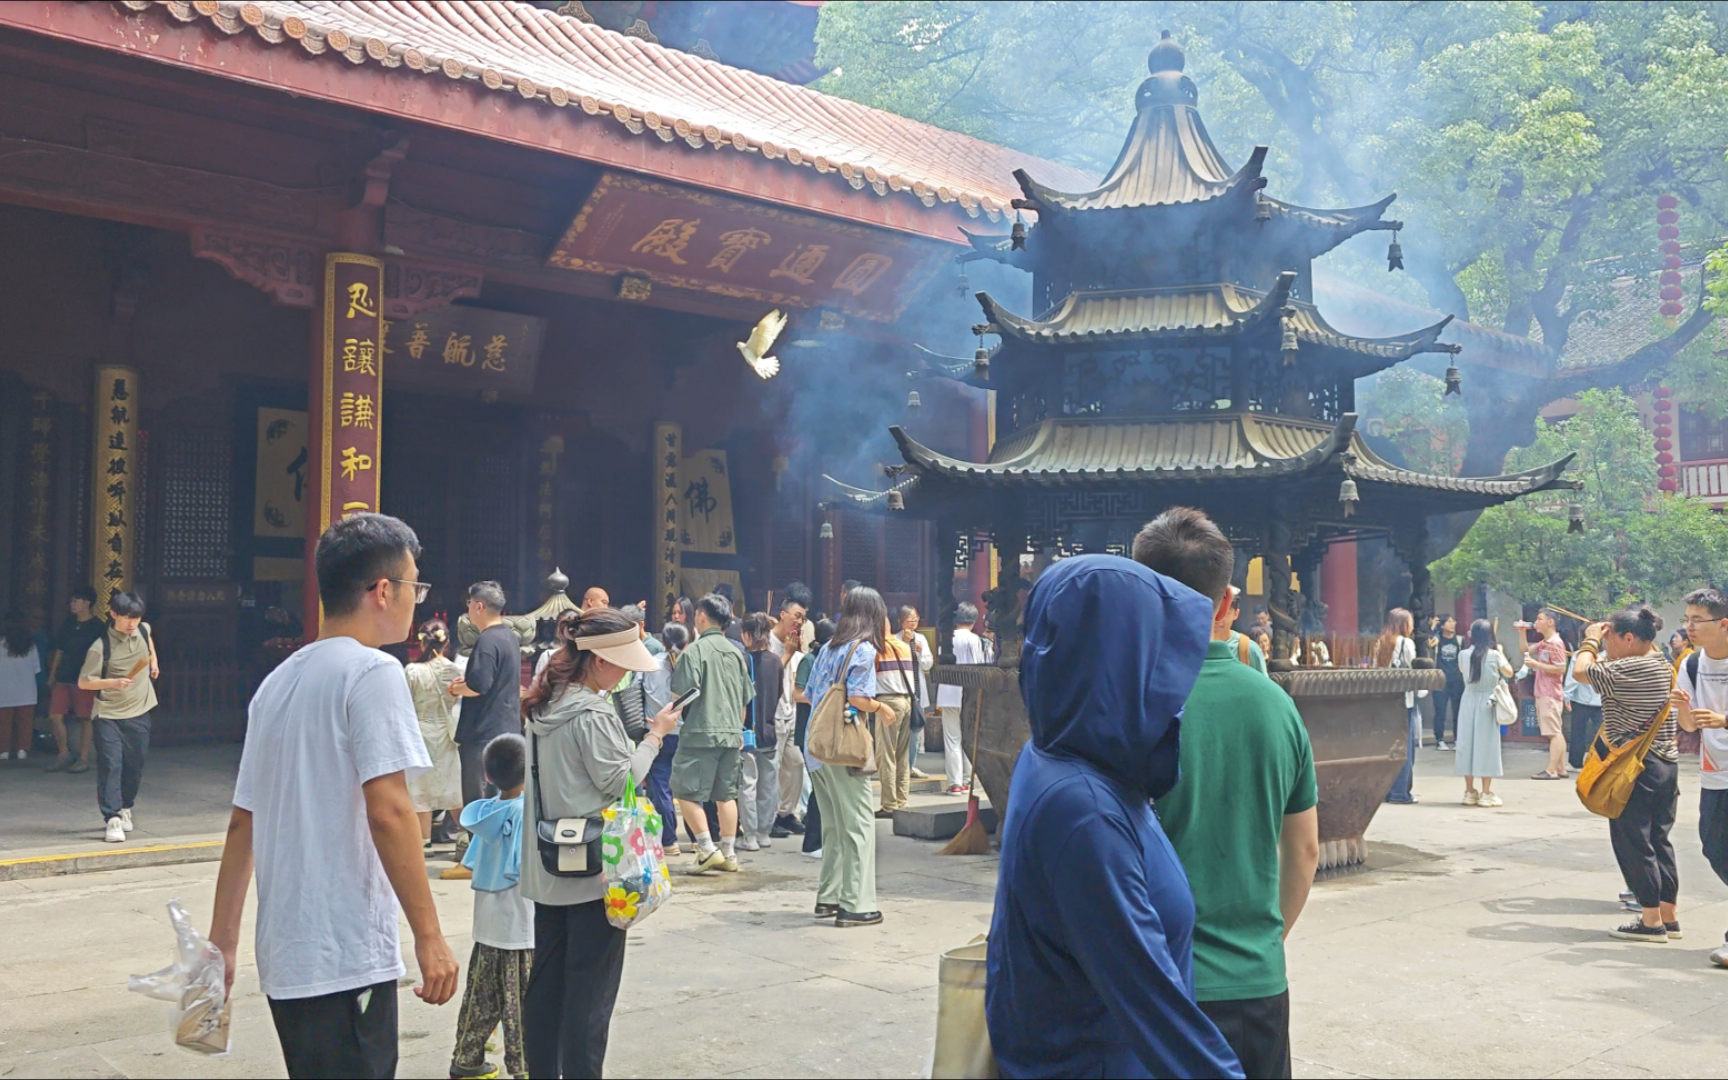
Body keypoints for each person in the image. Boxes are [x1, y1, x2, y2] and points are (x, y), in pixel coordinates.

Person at [209, 513, 459, 1078]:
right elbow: (391, 810)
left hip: (287, 957)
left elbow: (242, 823)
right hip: (344, 955)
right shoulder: (372, 672)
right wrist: (430, 936)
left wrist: (222, 944)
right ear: (383, 590)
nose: (417, 599)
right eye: (415, 585)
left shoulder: (277, 682)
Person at [986, 555, 1241, 1078]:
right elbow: (1156, 1011)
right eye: (1159, 655)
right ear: (1120, 661)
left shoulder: (1066, 754)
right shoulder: (1085, 812)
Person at [1133, 508, 1318, 1079]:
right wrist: (1263, 940)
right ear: (1227, 602)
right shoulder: (1276, 706)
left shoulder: (1129, 704)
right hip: (1255, 983)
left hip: (1151, 978)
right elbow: (1305, 851)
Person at [519, 607, 679, 1078]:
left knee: (546, 987)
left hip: (549, 868)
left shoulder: (545, 703)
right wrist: (655, 736)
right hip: (594, 873)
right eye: (625, 663)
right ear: (602, 661)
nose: (630, 672)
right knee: (590, 997)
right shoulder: (593, 712)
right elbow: (620, 780)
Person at [1573, 606, 1680, 942]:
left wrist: (1590, 642)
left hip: (1636, 768)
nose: (1609, 646)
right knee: (1660, 841)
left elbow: (1580, 671)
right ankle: (1668, 916)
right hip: (1666, 765)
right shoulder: (1661, 663)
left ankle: (1650, 922)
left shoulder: (1631, 666)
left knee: (1635, 841)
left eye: (1613, 639)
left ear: (1630, 638)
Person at [804, 587, 890, 926]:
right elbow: (858, 698)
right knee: (858, 825)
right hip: (844, 750)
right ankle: (855, 904)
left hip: (817, 746)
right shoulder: (863, 650)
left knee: (833, 827)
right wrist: (881, 708)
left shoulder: (827, 648)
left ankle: (829, 897)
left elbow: (811, 694)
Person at [450, 733, 533, 1080]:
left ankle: (466, 1060)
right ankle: (529, 1068)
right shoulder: (527, 812)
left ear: (487, 776)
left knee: (480, 998)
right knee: (523, 1006)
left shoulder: (486, 811)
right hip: (521, 927)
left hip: (487, 925)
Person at [670, 593, 753, 873]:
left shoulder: (693, 651)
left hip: (700, 732)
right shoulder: (736, 652)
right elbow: (744, 700)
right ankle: (729, 853)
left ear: (702, 617)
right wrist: (737, 729)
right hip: (731, 733)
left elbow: (680, 696)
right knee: (726, 795)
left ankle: (706, 849)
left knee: (685, 791)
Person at [447, 581, 522, 878]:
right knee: (501, 795)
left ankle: (473, 860)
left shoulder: (488, 640)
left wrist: (456, 690)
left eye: (469, 604)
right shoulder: (510, 638)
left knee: (477, 795)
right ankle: (496, 857)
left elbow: (480, 684)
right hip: (507, 726)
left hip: (483, 730)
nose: (468, 611)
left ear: (479, 606)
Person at [1671, 587, 1728, 967]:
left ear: (1723, 624)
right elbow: (1689, 725)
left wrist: (1724, 720)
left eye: (1697, 620)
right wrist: (1684, 709)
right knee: (1713, 847)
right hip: (1715, 772)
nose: (1689, 627)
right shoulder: (1691, 664)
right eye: (1687, 619)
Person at [78, 591, 159, 842]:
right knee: (111, 764)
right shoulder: (101, 646)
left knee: (135, 765)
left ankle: (126, 808)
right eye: (126, 618)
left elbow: (150, 646)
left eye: (135, 617)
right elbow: (83, 683)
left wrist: (154, 663)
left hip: (140, 709)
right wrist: (111, 682)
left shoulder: (143, 630)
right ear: (113, 615)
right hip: (109, 714)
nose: (131, 623)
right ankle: (112, 818)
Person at [405, 619, 462, 847]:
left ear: (421, 643)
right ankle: (467, 837)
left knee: (420, 787)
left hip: (420, 731)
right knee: (452, 785)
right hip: (447, 731)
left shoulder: (412, 671)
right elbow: (454, 698)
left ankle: (424, 841)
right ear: (446, 642)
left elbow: (405, 702)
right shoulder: (453, 669)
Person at [45, 586, 104, 772]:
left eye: (76, 601)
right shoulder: (68, 624)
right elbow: (60, 651)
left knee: (85, 718)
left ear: (87, 603)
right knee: (55, 715)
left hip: (85, 678)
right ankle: (63, 753)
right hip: (64, 677)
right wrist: (53, 674)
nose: (72, 604)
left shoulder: (98, 627)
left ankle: (84, 758)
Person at [1455, 619, 1512, 807]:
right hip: (1487, 702)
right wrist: (1501, 652)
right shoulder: (1495, 655)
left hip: (1468, 699)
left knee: (1466, 744)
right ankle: (1486, 793)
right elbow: (1509, 672)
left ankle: (1469, 792)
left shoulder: (1463, 654)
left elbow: (1463, 671)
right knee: (1487, 745)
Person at [738, 612, 782, 851]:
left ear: (747, 634)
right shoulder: (776, 661)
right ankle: (765, 832)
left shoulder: (744, 661)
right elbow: (779, 693)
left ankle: (750, 836)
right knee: (768, 784)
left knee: (748, 786)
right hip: (769, 730)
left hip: (748, 733)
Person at [935, 601, 986, 795]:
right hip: (969, 693)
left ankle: (955, 783)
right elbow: (979, 666)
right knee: (968, 737)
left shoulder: (947, 639)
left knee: (952, 739)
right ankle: (967, 779)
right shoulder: (975, 640)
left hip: (949, 693)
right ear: (973, 621)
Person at [772, 589, 812, 838]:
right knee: (773, 769)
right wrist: (787, 653)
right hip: (774, 714)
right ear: (782, 614)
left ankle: (787, 813)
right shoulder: (768, 642)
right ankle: (770, 817)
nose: (799, 622)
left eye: (803, 619)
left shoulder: (795, 644)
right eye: (796, 616)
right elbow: (770, 676)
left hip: (791, 712)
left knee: (795, 765)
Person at [650, 621, 691, 855]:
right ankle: (698, 839)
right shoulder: (692, 665)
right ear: (686, 643)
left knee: (661, 785)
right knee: (689, 788)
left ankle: (669, 840)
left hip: (658, 731)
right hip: (685, 733)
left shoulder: (650, 665)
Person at [795, 617, 835, 858]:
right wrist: (824, 699)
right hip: (809, 730)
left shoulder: (826, 659)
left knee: (823, 786)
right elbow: (797, 693)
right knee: (818, 787)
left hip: (822, 730)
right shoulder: (809, 660)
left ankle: (820, 839)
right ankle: (811, 843)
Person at [872, 612, 917, 819]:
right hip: (907, 701)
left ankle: (889, 804)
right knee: (902, 755)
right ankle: (902, 800)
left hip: (888, 702)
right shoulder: (903, 646)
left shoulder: (878, 649)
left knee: (886, 755)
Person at [1521, 609, 1570, 779]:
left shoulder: (1555, 643)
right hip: (1546, 692)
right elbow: (1525, 650)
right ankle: (1561, 768)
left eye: (1539, 619)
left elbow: (1561, 668)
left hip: (1549, 692)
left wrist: (1537, 664)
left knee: (1553, 733)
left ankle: (1551, 770)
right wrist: (1522, 632)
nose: (1536, 622)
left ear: (1550, 622)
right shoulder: (1545, 642)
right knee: (1556, 731)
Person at [1377, 608, 1419, 804]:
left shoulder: (1381, 641)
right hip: (1404, 699)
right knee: (1405, 747)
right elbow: (1412, 670)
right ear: (1403, 624)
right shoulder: (1406, 643)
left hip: (1385, 699)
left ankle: (1386, 790)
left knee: (1388, 747)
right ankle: (1401, 792)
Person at [897, 606, 934, 779]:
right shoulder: (894, 640)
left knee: (914, 732)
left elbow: (928, 664)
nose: (913, 621)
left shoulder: (921, 639)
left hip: (917, 691)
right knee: (899, 731)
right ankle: (899, 767)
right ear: (900, 620)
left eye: (915, 617)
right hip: (899, 690)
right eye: (908, 617)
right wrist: (904, 643)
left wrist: (918, 651)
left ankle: (910, 766)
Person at [0, 611, 40, 762]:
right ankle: (22, 749)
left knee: (3, 722)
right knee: (25, 722)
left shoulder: (1, 642)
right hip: (27, 689)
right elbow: (36, 667)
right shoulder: (30, 644)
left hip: (3, 689)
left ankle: (3, 750)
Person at [1563, 647, 1603, 771]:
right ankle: (1600, 763)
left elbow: (1573, 677)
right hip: (1602, 700)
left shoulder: (1579, 655)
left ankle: (1575, 763)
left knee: (1578, 732)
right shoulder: (1609, 654)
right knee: (1601, 734)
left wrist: (1567, 695)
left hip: (1581, 699)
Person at [1433, 615, 1464, 751]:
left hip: (1457, 680)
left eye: (1453, 621)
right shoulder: (1437, 639)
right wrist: (1432, 628)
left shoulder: (1459, 640)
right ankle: (1439, 739)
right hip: (1440, 680)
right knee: (1440, 711)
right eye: (1449, 621)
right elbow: (1427, 645)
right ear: (1443, 624)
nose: (1452, 624)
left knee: (1458, 711)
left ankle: (1458, 739)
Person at [1222, 587, 1268, 675]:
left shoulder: (1249, 649)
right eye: (1215, 612)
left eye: (1226, 613)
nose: (1219, 619)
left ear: (1236, 614)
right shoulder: (1195, 648)